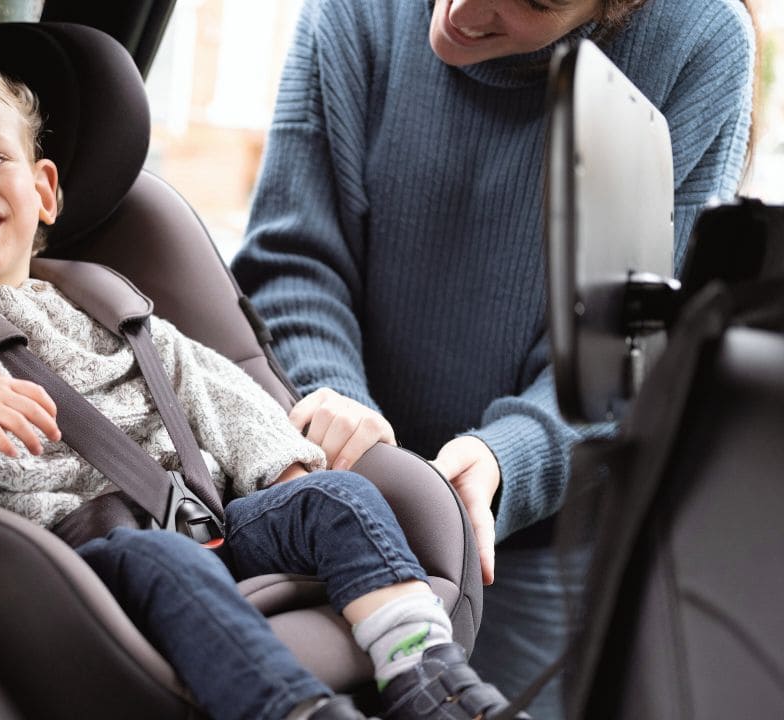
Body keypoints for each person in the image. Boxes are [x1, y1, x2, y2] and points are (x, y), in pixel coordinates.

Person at [0, 30, 525, 720]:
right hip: (84, 557)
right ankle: (294, 709)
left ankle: (429, 677)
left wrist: (283, 470)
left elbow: (213, 390)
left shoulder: (104, 303)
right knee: (164, 563)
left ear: (45, 188)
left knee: (338, 500)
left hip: (206, 515)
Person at [230, 0, 757, 716]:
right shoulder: (355, 13)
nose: (465, 13)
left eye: (534, 1)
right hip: (338, 489)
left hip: (536, 546)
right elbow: (295, 260)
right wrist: (346, 424)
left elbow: (635, 343)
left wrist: (506, 460)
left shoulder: (697, 39)